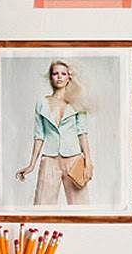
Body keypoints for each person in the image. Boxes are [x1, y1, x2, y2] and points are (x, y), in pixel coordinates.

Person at [15, 61, 94, 205]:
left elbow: (82, 132)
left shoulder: (77, 102)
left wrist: (88, 161)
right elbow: (39, 135)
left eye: (63, 74)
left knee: (80, 206)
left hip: (74, 159)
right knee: (42, 205)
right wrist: (31, 164)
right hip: (49, 159)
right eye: (55, 73)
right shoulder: (42, 103)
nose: (59, 77)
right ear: (51, 77)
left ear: (69, 78)